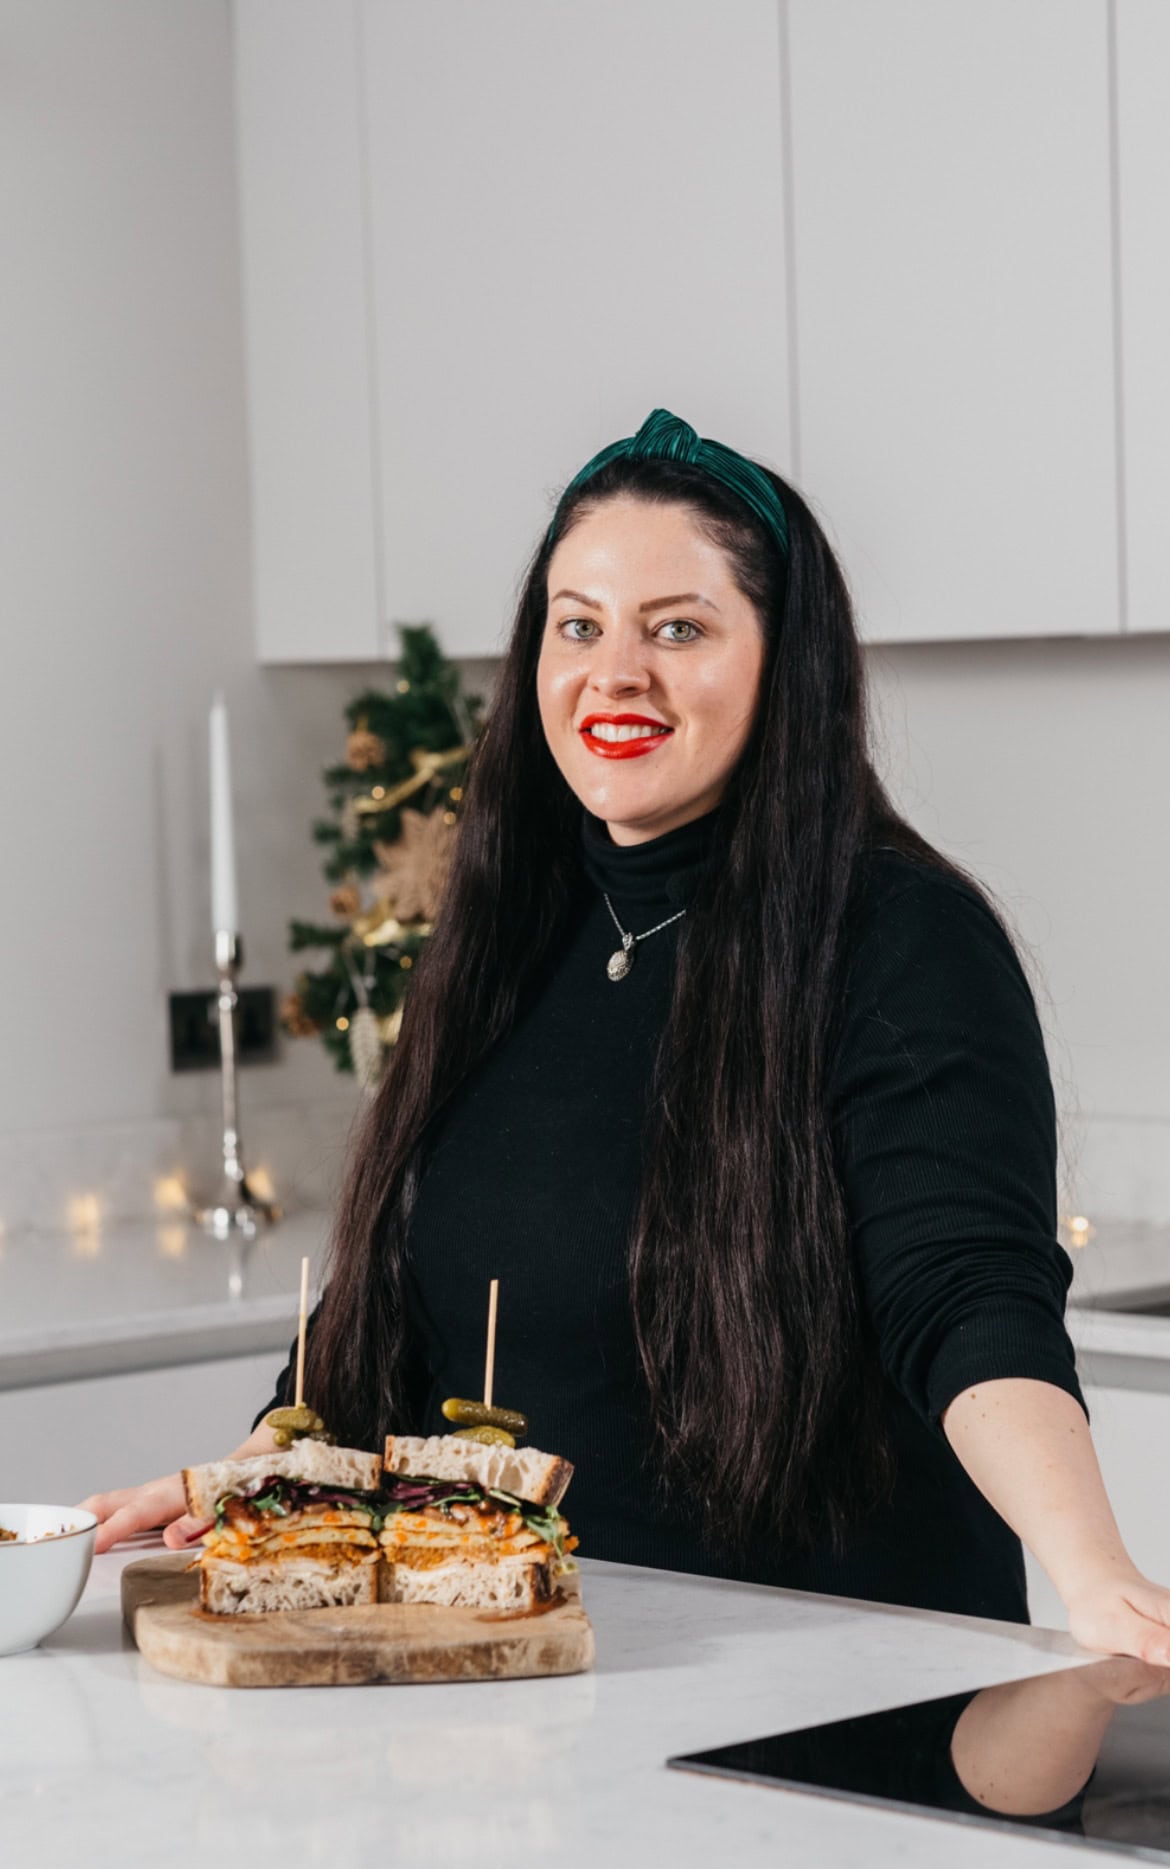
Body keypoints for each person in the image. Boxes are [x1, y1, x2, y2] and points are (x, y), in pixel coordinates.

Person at [85, 407, 1170, 1663]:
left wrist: (1098, 1575)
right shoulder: (504, 936)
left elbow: (969, 1294)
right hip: (536, 1699)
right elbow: (384, 1319)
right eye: (579, 624)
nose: (616, 674)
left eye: (680, 628)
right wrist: (248, 1482)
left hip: (828, 1694)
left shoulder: (898, 935)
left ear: (783, 661)